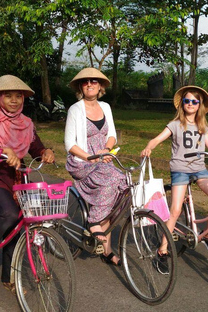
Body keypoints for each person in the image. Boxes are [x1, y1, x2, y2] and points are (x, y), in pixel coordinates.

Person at [0, 75, 55, 293]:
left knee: (19, 226)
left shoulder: (25, 123)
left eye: (18, 96)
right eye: (8, 96)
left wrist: (46, 152)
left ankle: (10, 278)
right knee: (8, 213)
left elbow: (36, 148)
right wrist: (2, 151)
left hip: (19, 179)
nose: (14, 100)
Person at [141, 85, 208, 274]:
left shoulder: (202, 126)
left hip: (199, 169)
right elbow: (157, 139)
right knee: (175, 210)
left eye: (195, 101)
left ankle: (207, 235)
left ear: (199, 104)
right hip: (180, 170)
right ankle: (162, 250)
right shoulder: (175, 125)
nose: (191, 104)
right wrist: (148, 147)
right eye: (187, 101)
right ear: (182, 104)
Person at [64, 67, 126, 267]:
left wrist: (106, 150)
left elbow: (112, 135)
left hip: (103, 159)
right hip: (82, 160)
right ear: (81, 87)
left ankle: (107, 250)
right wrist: (92, 157)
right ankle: (93, 221)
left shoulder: (106, 107)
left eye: (94, 81)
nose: (90, 84)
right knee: (111, 180)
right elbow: (69, 145)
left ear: (100, 86)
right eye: (85, 82)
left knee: (124, 184)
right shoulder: (75, 109)